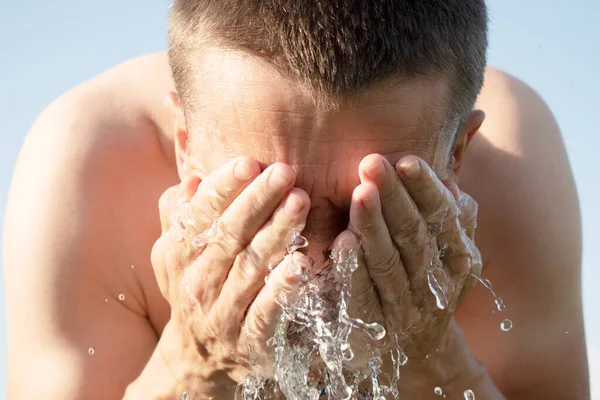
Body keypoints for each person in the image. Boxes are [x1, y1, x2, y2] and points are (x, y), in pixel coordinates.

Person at [3, 0, 589, 398]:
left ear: (457, 154)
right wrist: (196, 363)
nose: (310, 261)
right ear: (187, 148)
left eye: (368, 207)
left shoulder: (514, 169)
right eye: (273, 206)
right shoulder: (89, 170)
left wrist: (431, 361)